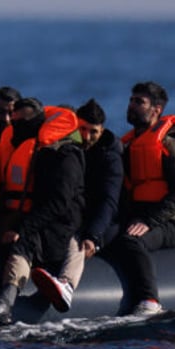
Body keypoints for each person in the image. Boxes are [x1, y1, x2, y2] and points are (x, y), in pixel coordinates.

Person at [0, 98, 84, 327]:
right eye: (15, 121)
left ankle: (4, 304)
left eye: (24, 122)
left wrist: (23, 228)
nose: (16, 126)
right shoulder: (37, 151)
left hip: (61, 225)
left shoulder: (65, 155)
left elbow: (60, 203)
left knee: (22, 243)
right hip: (34, 218)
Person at [32, 98, 123, 311]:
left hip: (103, 223)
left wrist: (94, 235)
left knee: (78, 238)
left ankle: (67, 284)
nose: (87, 136)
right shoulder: (65, 151)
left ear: (102, 131)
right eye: (82, 129)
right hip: (73, 215)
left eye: (94, 132)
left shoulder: (110, 157)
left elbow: (109, 202)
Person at [103, 82, 175, 316]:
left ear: (156, 110)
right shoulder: (129, 143)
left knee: (132, 241)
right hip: (140, 215)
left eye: (139, 102)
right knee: (107, 237)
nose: (131, 106)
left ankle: (150, 300)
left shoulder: (168, 143)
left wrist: (150, 222)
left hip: (169, 220)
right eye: (131, 100)